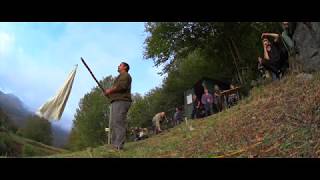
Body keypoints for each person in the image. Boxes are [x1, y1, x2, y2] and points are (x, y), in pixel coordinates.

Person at [105, 62, 132, 150]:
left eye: (120, 65)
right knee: (115, 123)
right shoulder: (121, 76)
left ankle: (119, 146)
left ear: (125, 67)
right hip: (117, 101)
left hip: (122, 101)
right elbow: (117, 90)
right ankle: (115, 145)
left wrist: (110, 90)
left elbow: (122, 86)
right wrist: (109, 94)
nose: (118, 66)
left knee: (118, 122)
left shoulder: (125, 75)